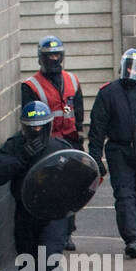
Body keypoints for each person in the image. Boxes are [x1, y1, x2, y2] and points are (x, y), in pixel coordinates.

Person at [0, 101, 72, 271]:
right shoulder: (14, 146)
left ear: (47, 126)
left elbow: (78, 180)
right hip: (26, 212)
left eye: (40, 127)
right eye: (30, 127)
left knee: (49, 257)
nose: (35, 131)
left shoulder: (59, 147)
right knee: (28, 262)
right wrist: (21, 157)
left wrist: (70, 215)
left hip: (54, 214)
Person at [88, 49, 136, 258]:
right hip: (119, 149)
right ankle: (132, 238)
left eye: (135, 66)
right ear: (122, 66)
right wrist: (95, 156)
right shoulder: (108, 93)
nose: (131, 70)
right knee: (125, 193)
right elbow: (97, 127)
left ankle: (134, 232)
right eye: (128, 65)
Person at [21, 35, 83, 250]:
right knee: (53, 190)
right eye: (49, 56)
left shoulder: (73, 81)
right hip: (48, 145)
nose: (54, 59)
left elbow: (79, 112)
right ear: (41, 58)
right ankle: (53, 232)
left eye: (57, 55)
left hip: (70, 141)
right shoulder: (31, 86)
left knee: (72, 190)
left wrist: (79, 138)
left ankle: (68, 232)